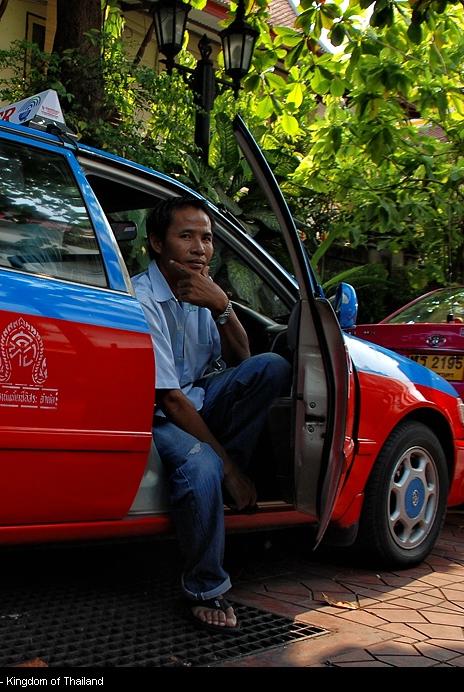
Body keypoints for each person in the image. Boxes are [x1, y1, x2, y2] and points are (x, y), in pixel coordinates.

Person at [132, 197, 290, 633]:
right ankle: (206, 587)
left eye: (207, 238)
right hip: (157, 413)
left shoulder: (201, 292)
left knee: (272, 367)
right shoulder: (142, 298)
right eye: (186, 236)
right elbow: (170, 401)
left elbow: (244, 361)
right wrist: (229, 469)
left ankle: (220, 478)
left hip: (198, 398)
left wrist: (222, 306)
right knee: (201, 463)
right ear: (157, 244)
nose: (200, 248)